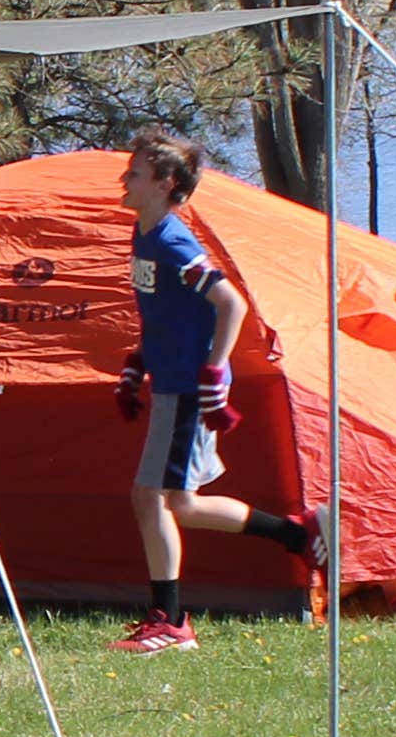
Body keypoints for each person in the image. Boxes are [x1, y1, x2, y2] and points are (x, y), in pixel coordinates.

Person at [113, 132, 326, 652]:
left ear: (165, 185)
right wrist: (140, 363)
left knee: (165, 501)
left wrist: (212, 372)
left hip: (189, 389)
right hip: (170, 382)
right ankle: (296, 536)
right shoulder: (145, 235)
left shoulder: (172, 241)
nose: (124, 179)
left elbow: (230, 305)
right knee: (164, 501)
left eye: (136, 173)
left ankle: (173, 622)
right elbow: (167, 313)